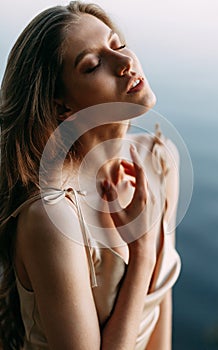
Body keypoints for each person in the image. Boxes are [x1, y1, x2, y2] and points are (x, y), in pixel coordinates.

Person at [0, 1, 181, 349]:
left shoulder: (158, 159)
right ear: (62, 106)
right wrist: (141, 254)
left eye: (118, 45)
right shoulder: (53, 217)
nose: (126, 63)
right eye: (93, 64)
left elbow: (159, 307)